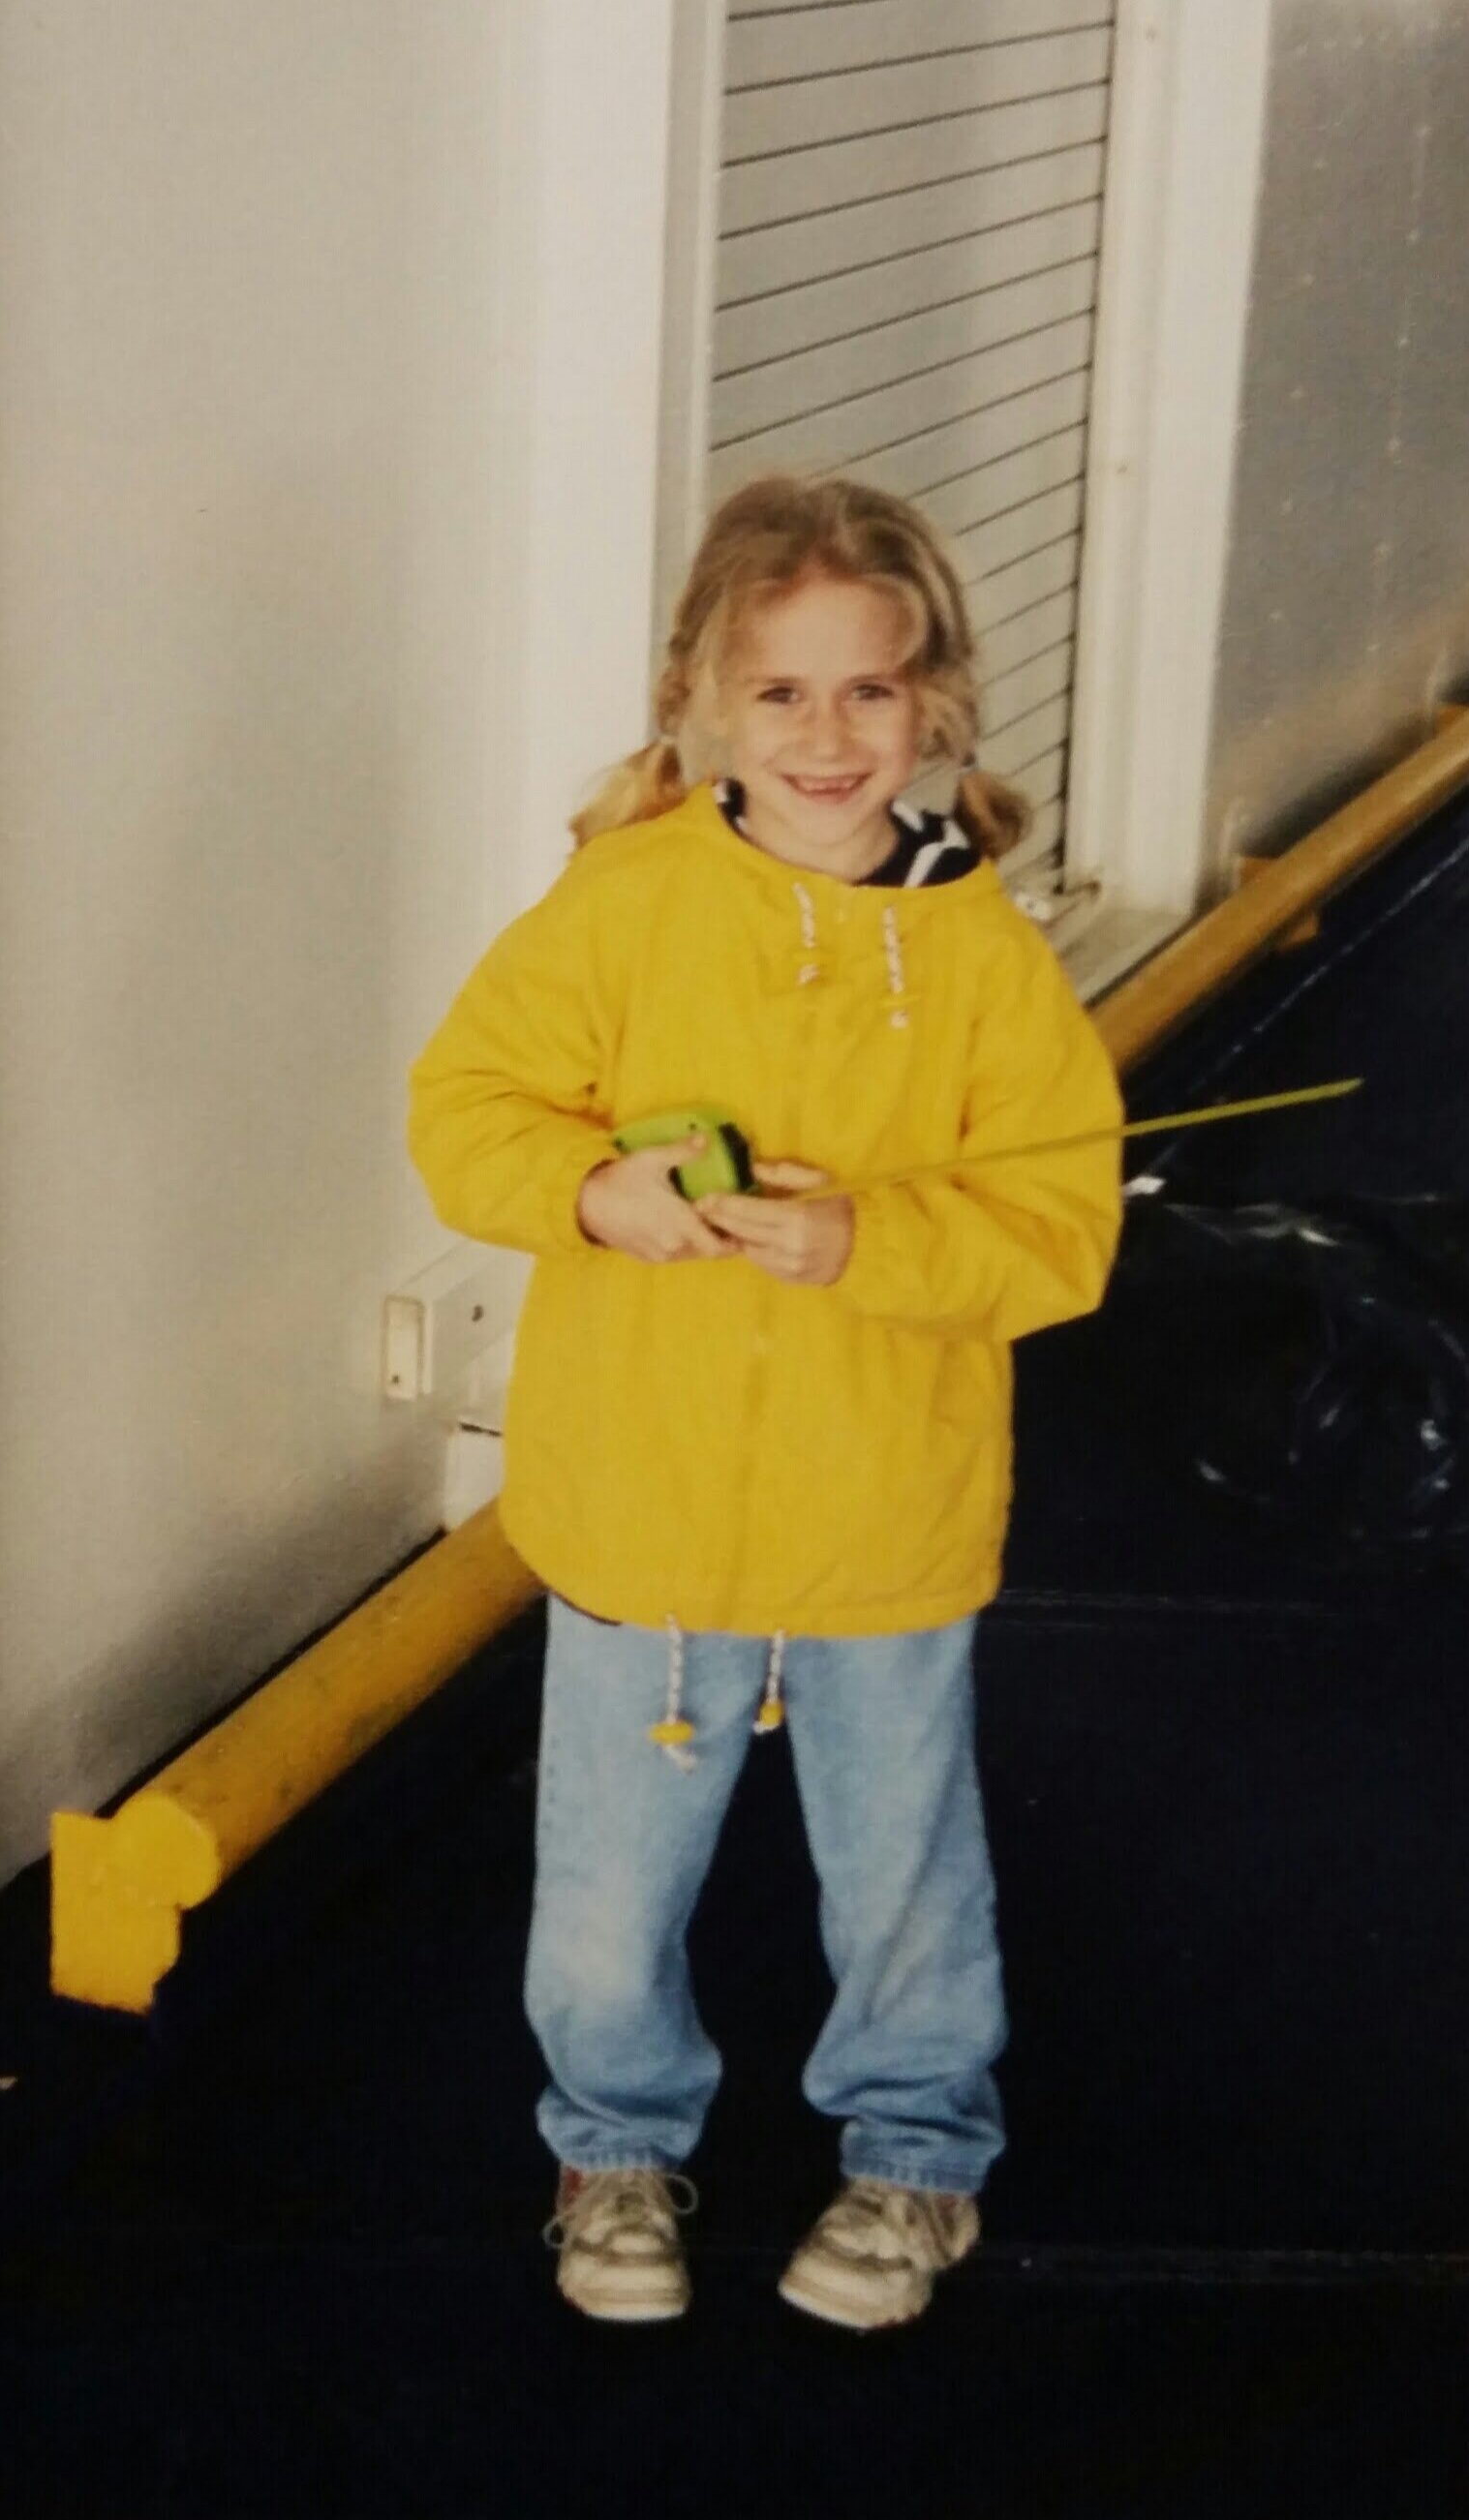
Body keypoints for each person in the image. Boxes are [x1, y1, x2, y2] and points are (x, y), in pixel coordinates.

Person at [407, 473, 1122, 2329]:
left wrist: (863, 1240)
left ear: (935, 706)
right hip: (640, 1506)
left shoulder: (984, 956)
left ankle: (909, 2161)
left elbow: (1053, 1228)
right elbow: (467, 1112)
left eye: (869, 693)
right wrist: (595, 1197)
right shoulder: (622, 905)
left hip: (883, 1505)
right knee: (608, 1886)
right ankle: (614, 2140)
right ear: (701, 704)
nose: (826, 736)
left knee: (901, 1873)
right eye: (782, 694)